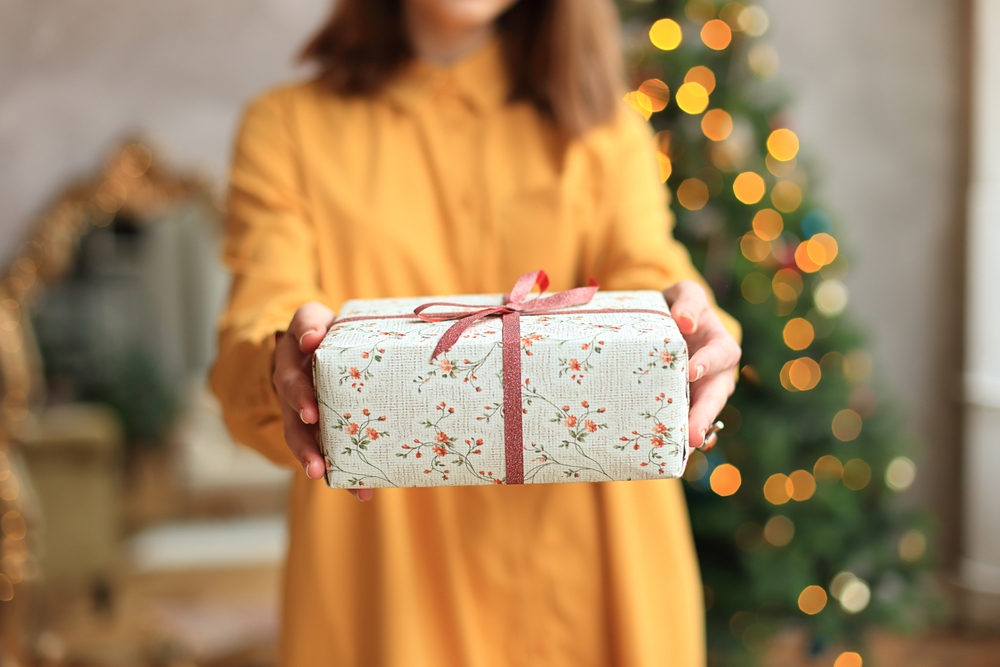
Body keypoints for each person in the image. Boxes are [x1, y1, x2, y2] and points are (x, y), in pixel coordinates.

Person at [212, 0, 742, 664]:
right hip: (382, 585)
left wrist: (688, 324)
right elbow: (258, 320)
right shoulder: (286, 129)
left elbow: (649, 268)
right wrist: (279, 362)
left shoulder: (606, 130)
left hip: (597, 573)